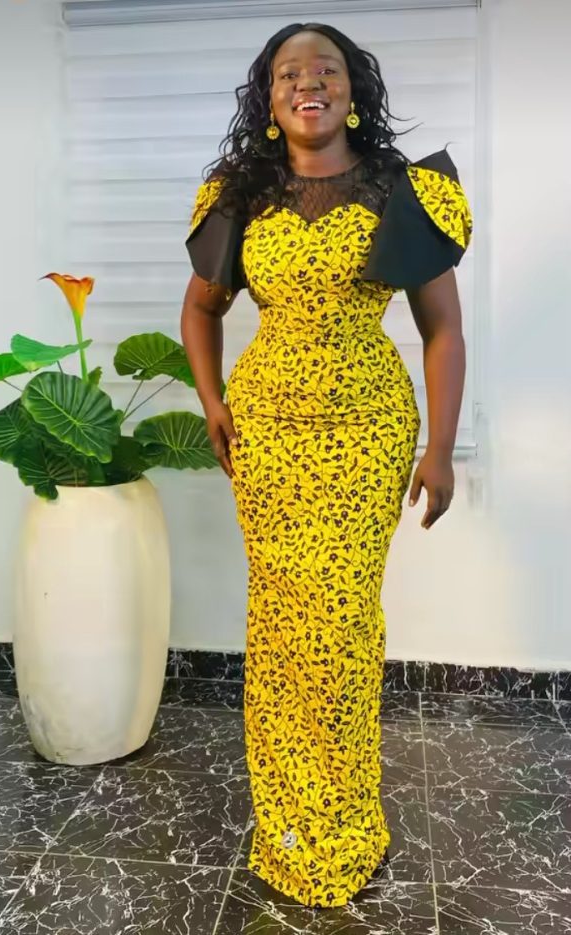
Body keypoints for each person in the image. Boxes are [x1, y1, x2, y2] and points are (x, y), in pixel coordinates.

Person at [180, 22, 471, 909]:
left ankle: (342, 818)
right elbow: (201, 309)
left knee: (340, 619)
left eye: (327, 69)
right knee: (280, 618)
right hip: (267, 430)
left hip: (367, 428)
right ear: (268, 100)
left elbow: (443, 329)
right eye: (288, 74)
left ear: (353, 88)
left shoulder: (401, 189)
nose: (308, 83)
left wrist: (440, 447)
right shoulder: (240, 193)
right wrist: (213, 400)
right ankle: (286, 819)